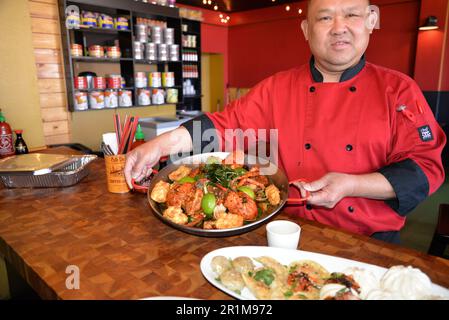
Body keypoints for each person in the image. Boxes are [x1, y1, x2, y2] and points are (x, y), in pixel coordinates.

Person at [125, 0, 446, 243]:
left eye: (351, 14)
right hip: (282, 233)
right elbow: (224, 126)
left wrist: (352, 185)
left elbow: (424, 169)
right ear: (306, 29)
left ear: (372, 20)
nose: (338, 26)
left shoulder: (399, 89)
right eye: (324, 17)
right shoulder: (276, 87)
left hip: (366, 240)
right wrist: (160, 144)